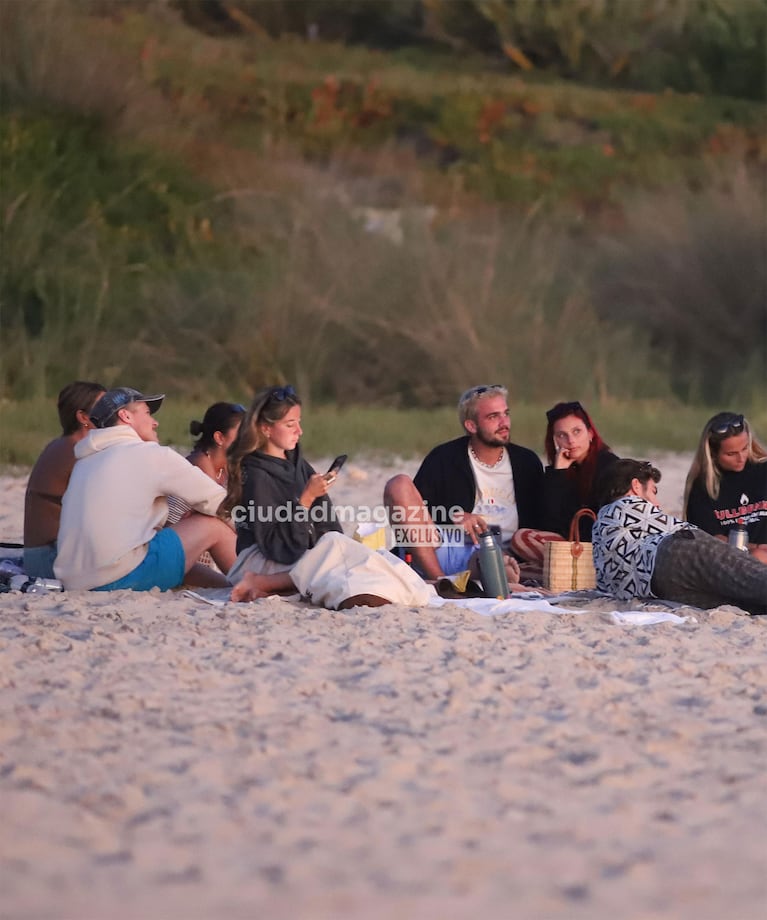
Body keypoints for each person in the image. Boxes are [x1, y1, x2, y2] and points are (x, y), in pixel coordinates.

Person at [54, 387, 236, 591]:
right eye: (148, 413)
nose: (155, 422)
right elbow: (219, 503)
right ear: (125, 416)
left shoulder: (85, 462)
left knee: (172, 550)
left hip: (77, 582)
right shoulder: (149, 454)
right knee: (213, 526)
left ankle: (227, 585)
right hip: (118, 576)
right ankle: (255, 583)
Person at [383, 384, 542, 585]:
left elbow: (544, 517)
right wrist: (453, 516)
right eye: (493, 417)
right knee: (398, 484)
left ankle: (479, 578)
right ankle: (440, 582)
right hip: (441, 546)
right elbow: (413, 514)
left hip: (492, 552)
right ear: (471, 426)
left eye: (506, 414)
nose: (504, 422)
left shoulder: (526, 462)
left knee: (501, 568)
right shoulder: (444, 458)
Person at [592, 458, 766, 614]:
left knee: (744, 602)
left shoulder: (599, 527)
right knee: (752, 577)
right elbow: (682, 530)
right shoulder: (628, 505)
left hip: (658, 588)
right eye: (653, 491)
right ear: (636, 486)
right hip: (673, 554)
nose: (657, 504)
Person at [221, 384, 343, 587]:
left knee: (346, 554)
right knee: (330, 568)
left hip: (295, 551)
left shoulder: (297, 463)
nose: (299, 431)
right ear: (266, 428)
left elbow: (325, 524)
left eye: (299, 422)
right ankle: (262, 583)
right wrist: (306, 500)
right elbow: (276, 546)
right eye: (290, 425)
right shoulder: (255, 474)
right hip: (261, 559)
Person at [512, 400, 619, 565]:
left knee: (522, 539)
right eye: (562, 435)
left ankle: (575, 573)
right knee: (522, 569)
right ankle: (565, 575)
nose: (570, 440)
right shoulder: (561, 470)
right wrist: (558, 473)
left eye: (577, 431)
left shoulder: (609, 467)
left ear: (590, 433)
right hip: (570, 548)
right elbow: (548, 523)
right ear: (554, 440)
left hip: (599, 551)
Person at [23, 380, 106, 578]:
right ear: (83, 417)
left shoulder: (62, 445)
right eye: (104, 406)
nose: (114, 412)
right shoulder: (77, 451)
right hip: (51, 559)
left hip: (40, 556)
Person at [683, 412, 767, 564]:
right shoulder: (703, 487)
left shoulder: (763, 470)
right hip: (733, 563)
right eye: (731, 454)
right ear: (713, 454)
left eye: (745, 448)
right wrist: (753, 549)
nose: (741, 457)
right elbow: (710, 539)